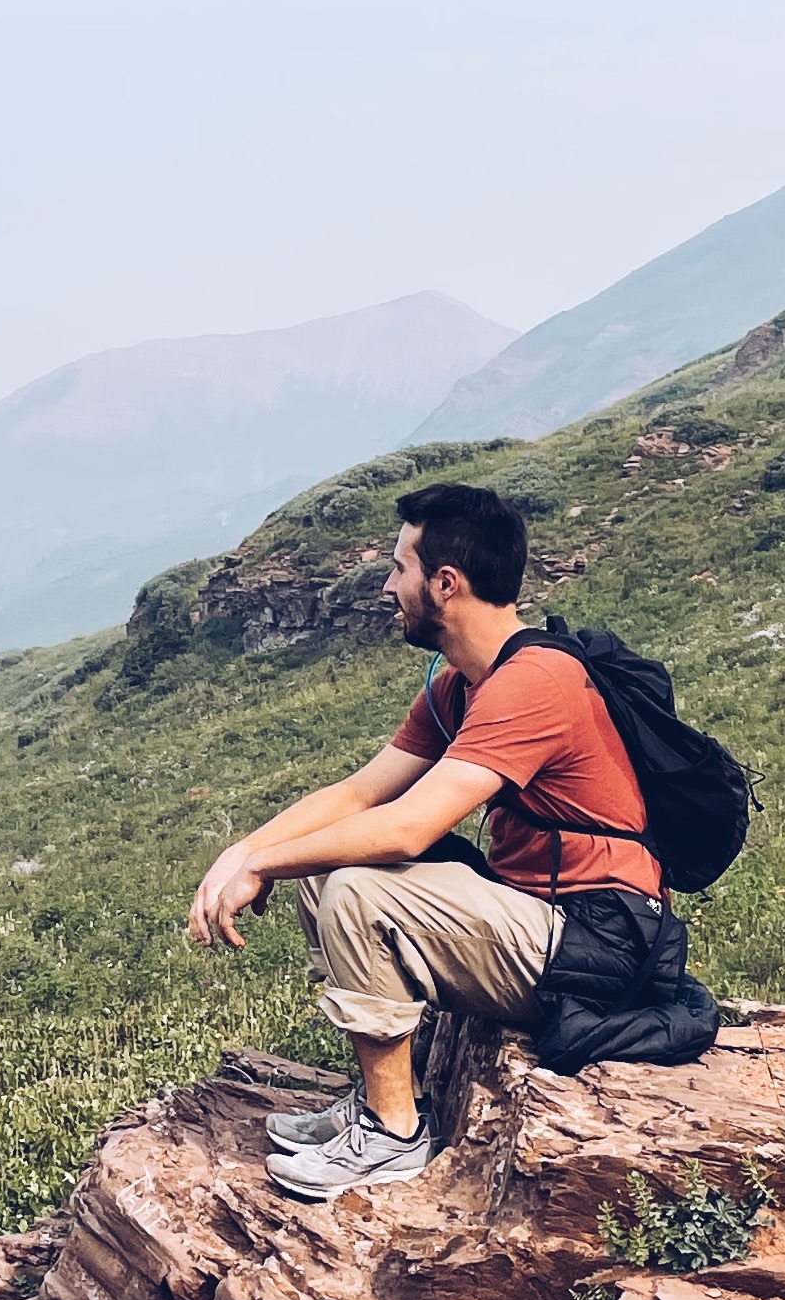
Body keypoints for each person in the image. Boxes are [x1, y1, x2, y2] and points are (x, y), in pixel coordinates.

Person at [185, 481, 719, 1202]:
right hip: (537, 913)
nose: (386, 586)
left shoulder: (535, 682)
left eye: (399, 567)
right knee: (327, 865)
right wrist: (240, 855)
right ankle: (376, 1103)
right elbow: (357, 794)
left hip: (603, 943)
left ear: (446, 583)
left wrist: (260, 865)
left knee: (358, 883)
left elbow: (408, 826)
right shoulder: (459, 683)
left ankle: (393, 1136)